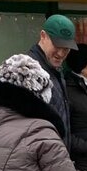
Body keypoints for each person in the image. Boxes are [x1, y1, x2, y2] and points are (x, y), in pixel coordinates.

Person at [28, 14, 78, 145]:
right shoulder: (28, 72)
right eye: (57, 45)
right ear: (43, 36)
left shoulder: (55, 70)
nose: (61, 53)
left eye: (66, 48)